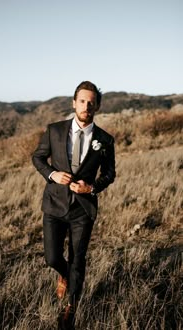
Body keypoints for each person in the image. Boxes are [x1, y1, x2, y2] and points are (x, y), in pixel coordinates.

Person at [32, 81, 115, 327]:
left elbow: (109, 174)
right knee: (52, 257)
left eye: (91, 102)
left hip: (83, 208)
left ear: (97, 106)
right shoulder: (54, 130)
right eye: (82, 101)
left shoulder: (105, 140)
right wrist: (52, 174)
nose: (86, 106)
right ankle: (64, 275)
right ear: (74, 103)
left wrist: (91, 188)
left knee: (78, 259)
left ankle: (72, 306)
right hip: (54, 205)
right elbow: (37, 157)